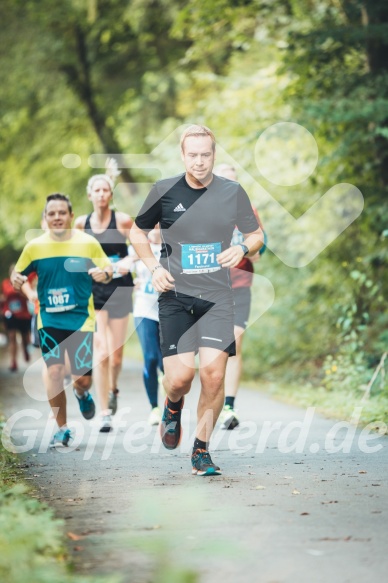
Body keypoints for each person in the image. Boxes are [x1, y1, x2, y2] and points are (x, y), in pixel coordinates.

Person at [130, 124, 264, 476]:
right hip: (175, 295)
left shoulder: (232, 192)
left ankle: (201, 449)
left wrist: (241, 247)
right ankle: (172, 407)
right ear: (183, 155)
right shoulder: (164, 190)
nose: (200, 161)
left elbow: (256, 234)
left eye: (206, 154)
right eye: (193, 155)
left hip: (219, 296)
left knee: (213, 375)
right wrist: (151, 267)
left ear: (214, 154)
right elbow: (137, 231)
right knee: (179, 378)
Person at [11, 193, 113, 447]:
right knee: (54, 371)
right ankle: (62, 428)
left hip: (81, 319)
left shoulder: (87, 243)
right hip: (49, 319)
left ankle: (82, 393)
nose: (57, 217)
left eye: (61, 213)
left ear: (70, 215)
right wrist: (20, 284)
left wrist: (104, 275)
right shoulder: (35, 247)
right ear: (46, 218)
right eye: (51, 213)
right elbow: (18, 275)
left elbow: (108, 269)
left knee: (82, 378)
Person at [75, 174, 133, 433]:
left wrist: (114, 268)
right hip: (93, 291)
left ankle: (113, 389)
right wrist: (90, 270)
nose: (101, 194)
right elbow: (75, 257)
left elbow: (137, 253)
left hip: (119, 289)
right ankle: (104, 413)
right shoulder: (81, 224)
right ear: (90, 195)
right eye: (96, 190)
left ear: (111, 194)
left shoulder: (122, 221)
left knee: (117, 355)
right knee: (101, 352)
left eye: (105, 190)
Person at [214, 164, 267, 430]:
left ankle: (229, 407)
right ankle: (213, 399)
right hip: (210, 286)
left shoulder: (248, 210)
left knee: (233, 344)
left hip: (240, 284)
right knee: (214, 349)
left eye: (233, 183)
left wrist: (254, 250)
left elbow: (261, 242)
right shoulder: (204, 209)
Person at [130, 226, 164, 426]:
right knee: (150, 358)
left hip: (169, 311)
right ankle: (154, 407)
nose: (156, 227)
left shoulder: (173, 247)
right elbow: (122, 270)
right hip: (144, 309)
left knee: (165, 363)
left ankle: (169, 403)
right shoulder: (136, 249)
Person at [1, 264, 32, 372]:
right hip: (10, 314)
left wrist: (21, 292)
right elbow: (4, 295)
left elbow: (28, 296)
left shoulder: (24, 283)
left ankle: (25, 349)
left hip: (23, 314)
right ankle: (13, 361)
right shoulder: (5, 283)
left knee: (24, 338)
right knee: (12, 336)